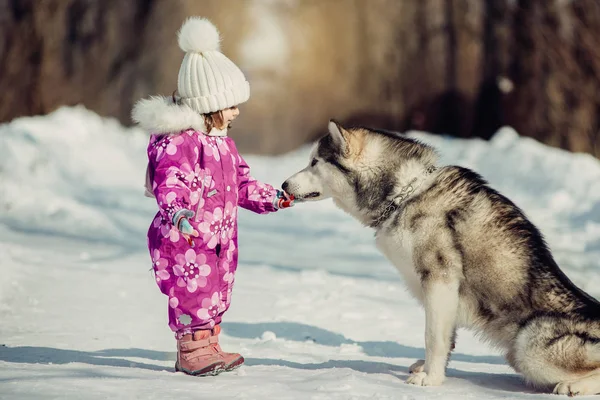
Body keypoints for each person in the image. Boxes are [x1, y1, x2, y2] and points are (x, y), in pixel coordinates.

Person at [132, 16, 294, 376]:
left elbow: (242, 184)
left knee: (214, 294)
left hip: (216, 242)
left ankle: (209, 344)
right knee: (193, 295)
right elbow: (170, 181)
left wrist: (273, 198)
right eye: (231, 104)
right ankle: (191, 351)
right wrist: (177, 213)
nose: (236, 112)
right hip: (184, 239)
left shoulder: (223, 146)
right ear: (209, 105)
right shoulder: (180, 143)